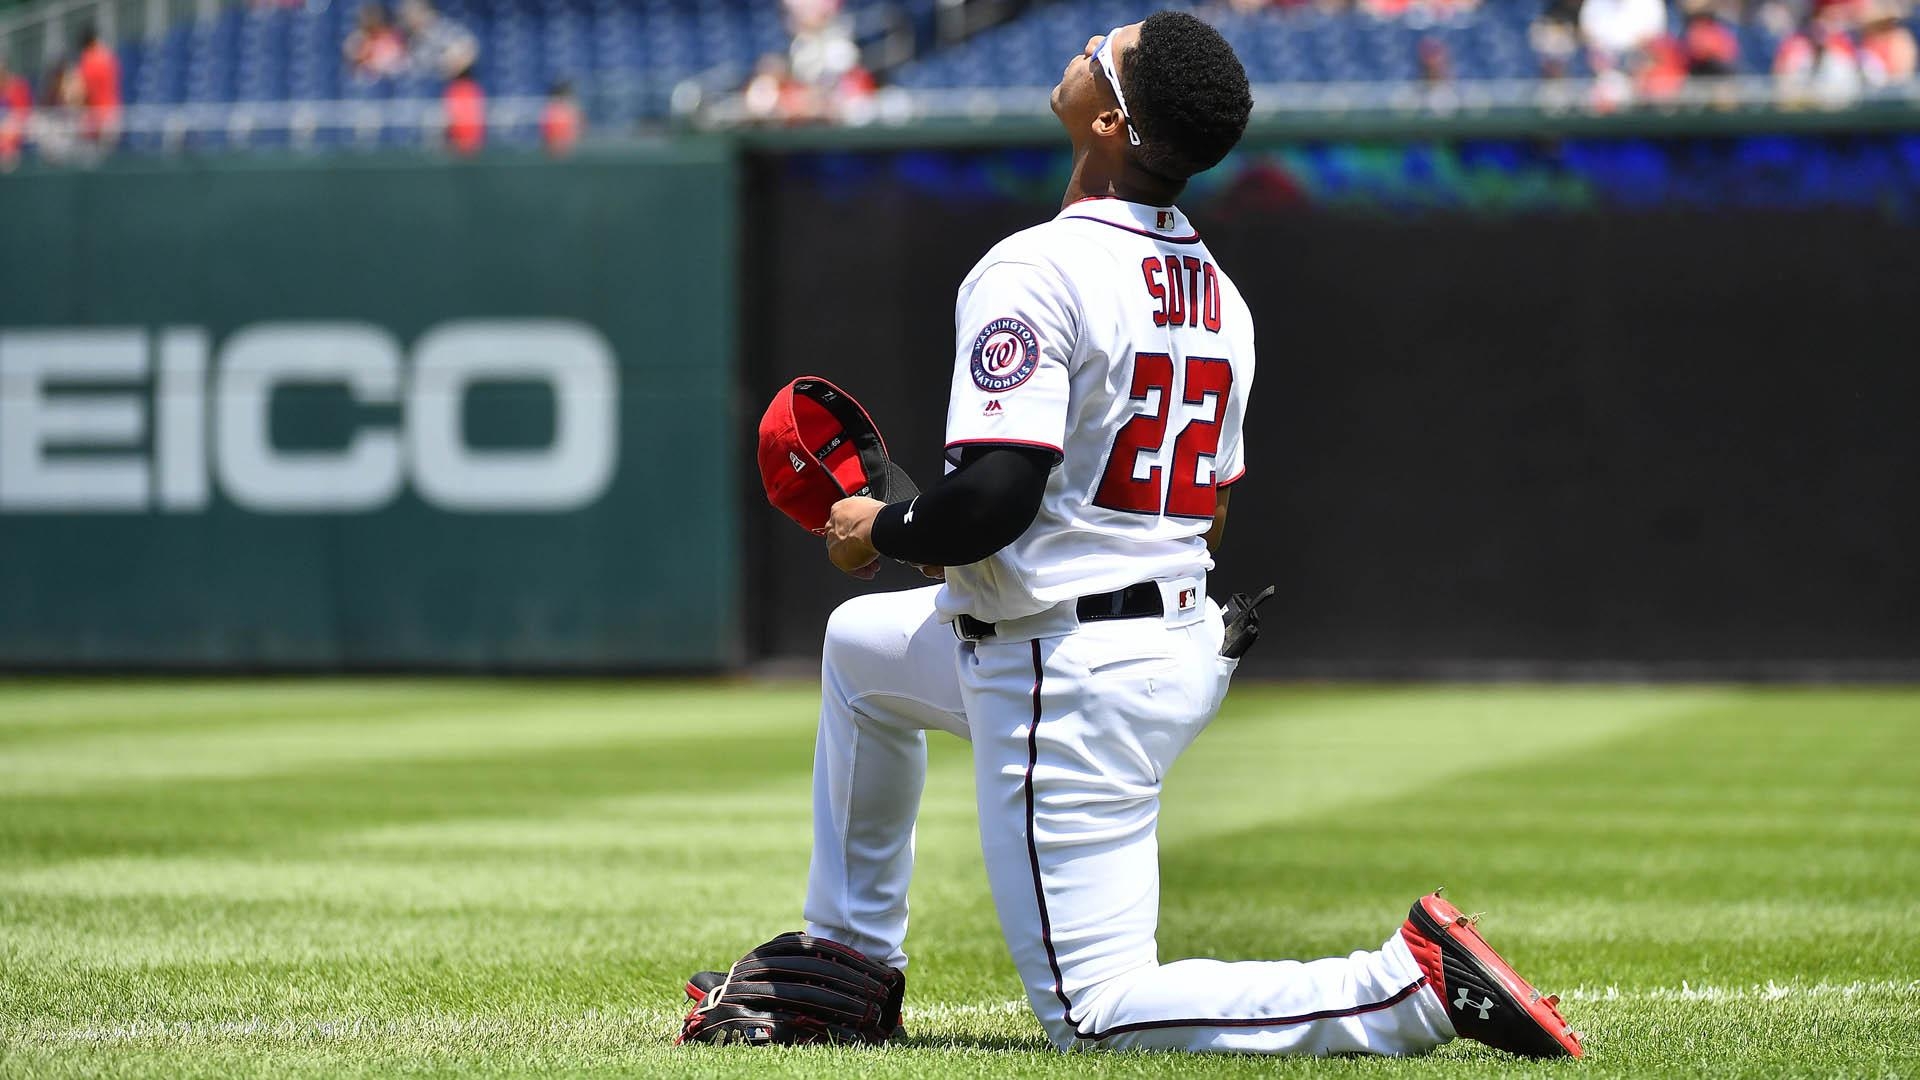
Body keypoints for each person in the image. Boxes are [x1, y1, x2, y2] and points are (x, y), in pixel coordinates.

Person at [699, 10, 1583, 1060]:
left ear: (1112, 121)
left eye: (1099, 55)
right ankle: (849, 962)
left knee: (1094, 1010)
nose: (1080, 50)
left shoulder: (1034, 269)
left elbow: (996, 496)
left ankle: (1406, 991)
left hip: (1063, 671)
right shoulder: (1221, 293)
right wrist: (965, 546)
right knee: (861, 654)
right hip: (1161, 640)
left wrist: (882, 524)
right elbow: (1198, 508)